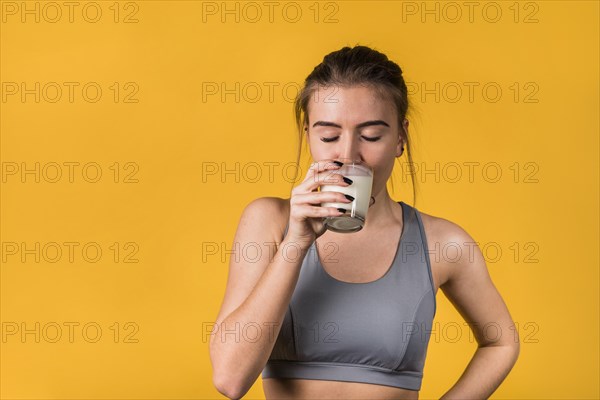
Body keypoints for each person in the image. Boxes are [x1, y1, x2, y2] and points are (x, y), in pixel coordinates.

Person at [209, 45, 520, 399]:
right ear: (307, 132)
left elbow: (501, 342)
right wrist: (296, 242)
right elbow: (230, 380)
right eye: (328, 136)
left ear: (400, 138)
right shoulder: (269, 221)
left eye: (371, 136)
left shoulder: (442, 243)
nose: (347, 154)